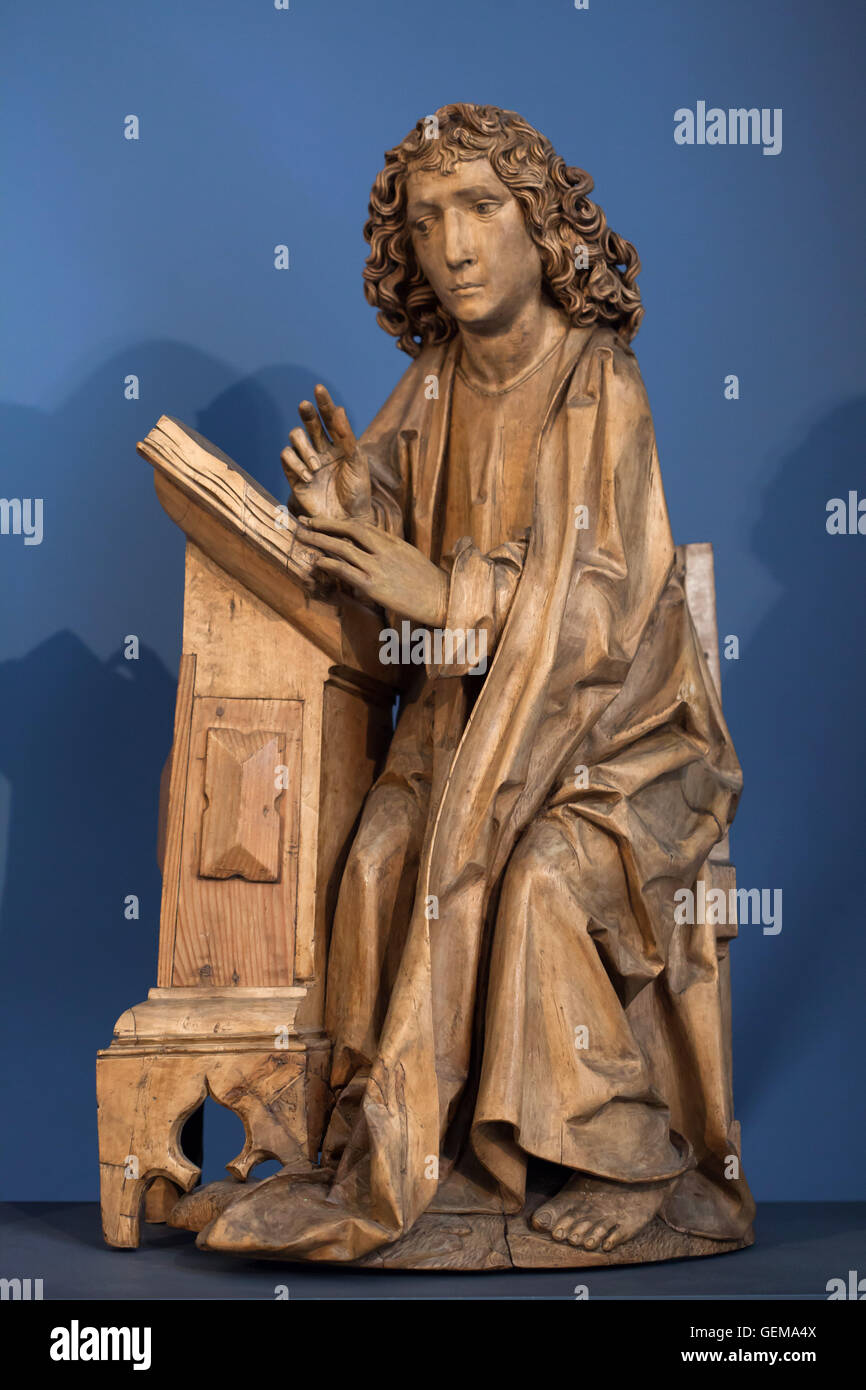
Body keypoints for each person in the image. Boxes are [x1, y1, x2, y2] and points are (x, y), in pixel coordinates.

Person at [196, 102, 755, 1263]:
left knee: (547, 872)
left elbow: (598, 599)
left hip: (622, 745)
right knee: (384, 848)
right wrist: (354, 517)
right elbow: (393, 528)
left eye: (481, 209)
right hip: (471, 736)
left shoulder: (595, 377)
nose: (452, 245)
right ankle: (398, 1136)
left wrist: (447, 592)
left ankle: (621, 1153)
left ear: (540, 224)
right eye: (426, 218)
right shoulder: (437, 379)